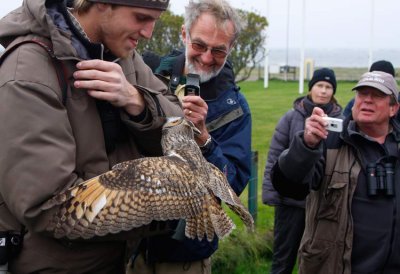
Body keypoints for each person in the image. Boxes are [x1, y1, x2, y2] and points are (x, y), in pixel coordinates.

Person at [0, 0, 184, 273]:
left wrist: (138, 102)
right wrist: (166, 207)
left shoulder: (122, 56)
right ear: (100, 4)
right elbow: (49, 204)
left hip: (116, 258)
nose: (148, 33)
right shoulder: (28, 73)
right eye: (141, 17)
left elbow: (180, 126)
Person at [130, 0, 252, 273]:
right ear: (184, 34)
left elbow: (233, 187)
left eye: (219, 50)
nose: (207, 58)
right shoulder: (149, 75)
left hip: (185, 257)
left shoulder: (235, 110)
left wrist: (205, 140)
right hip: (130, 244)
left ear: (230, 49)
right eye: (199, 45)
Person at [271, 71, 400, 273]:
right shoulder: (332, 142)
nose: (367, 100)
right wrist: (306, 145)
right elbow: (288, 185)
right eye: (362, 93)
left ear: (394, 108)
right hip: (335, 266)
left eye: (377, 95)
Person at [262, 68, 342, 274]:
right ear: (310, 88)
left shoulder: (340, 121)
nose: (323, 91)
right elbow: (275, 155)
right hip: (290, 204)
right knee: (283, 258)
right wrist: (272, 193)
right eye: (319, 85)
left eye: (328, 87)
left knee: (317, 258)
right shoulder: (291, 118)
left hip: (324, 204)